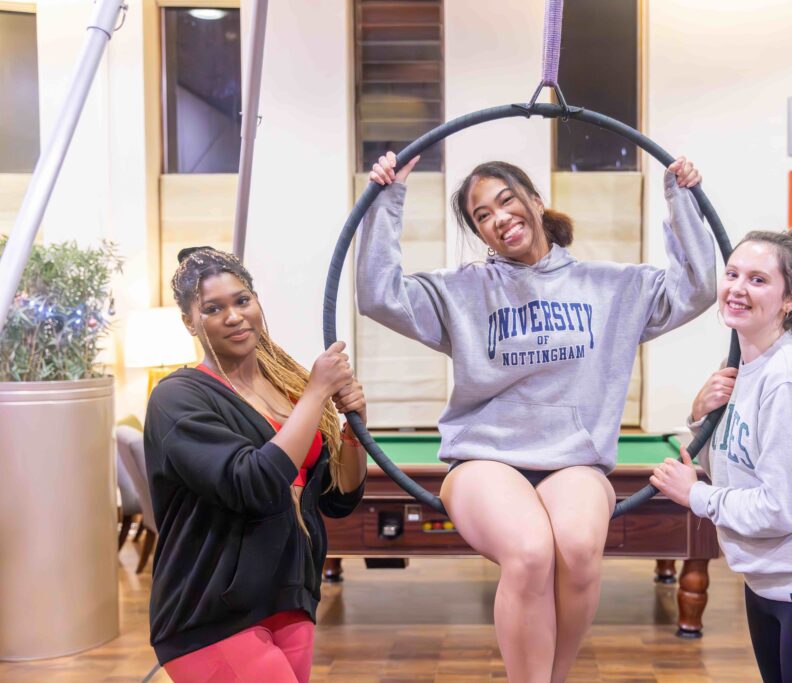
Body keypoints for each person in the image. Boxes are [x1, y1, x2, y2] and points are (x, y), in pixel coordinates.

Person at [358, 151, 716, 682]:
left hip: (574, 461)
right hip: (485, 460)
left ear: (536, 201)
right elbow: (377, 295)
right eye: (482, 215)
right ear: (479, 233)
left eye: (507, 201)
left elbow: (699, 288)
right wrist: (386, 199)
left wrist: (680, 198)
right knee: (529, 553)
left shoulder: (612, 286)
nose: (499, 218)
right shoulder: (463, 290)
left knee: (578, 549)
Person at [650, 230, 792, 683]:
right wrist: (700, 417)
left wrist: (696, 496)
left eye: (757, 280)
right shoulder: (744, 369)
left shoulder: (789, 380)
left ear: (790, 300)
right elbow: (738, 472)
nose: (737, 288)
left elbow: (780, 509)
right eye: (732, 274)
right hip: (767, 586)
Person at [144, 247, 368, 683]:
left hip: (289, 598)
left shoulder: (287, 388)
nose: (234, 316)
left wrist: (353, 432)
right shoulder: (178, 398)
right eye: (213, 309)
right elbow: (254, 484)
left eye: (242, 300)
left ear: (257, 302)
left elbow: (337, 498)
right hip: (210, 613)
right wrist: (317, 393)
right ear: (190, 322)